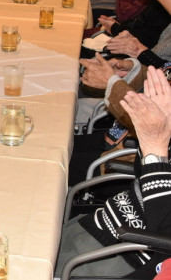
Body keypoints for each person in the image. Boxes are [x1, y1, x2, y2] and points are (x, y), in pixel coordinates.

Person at [56, 65, 171, 278]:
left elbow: (163, 231)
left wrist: (156, 144)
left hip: (125, 251)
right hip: (108, 219)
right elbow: (143, 172)